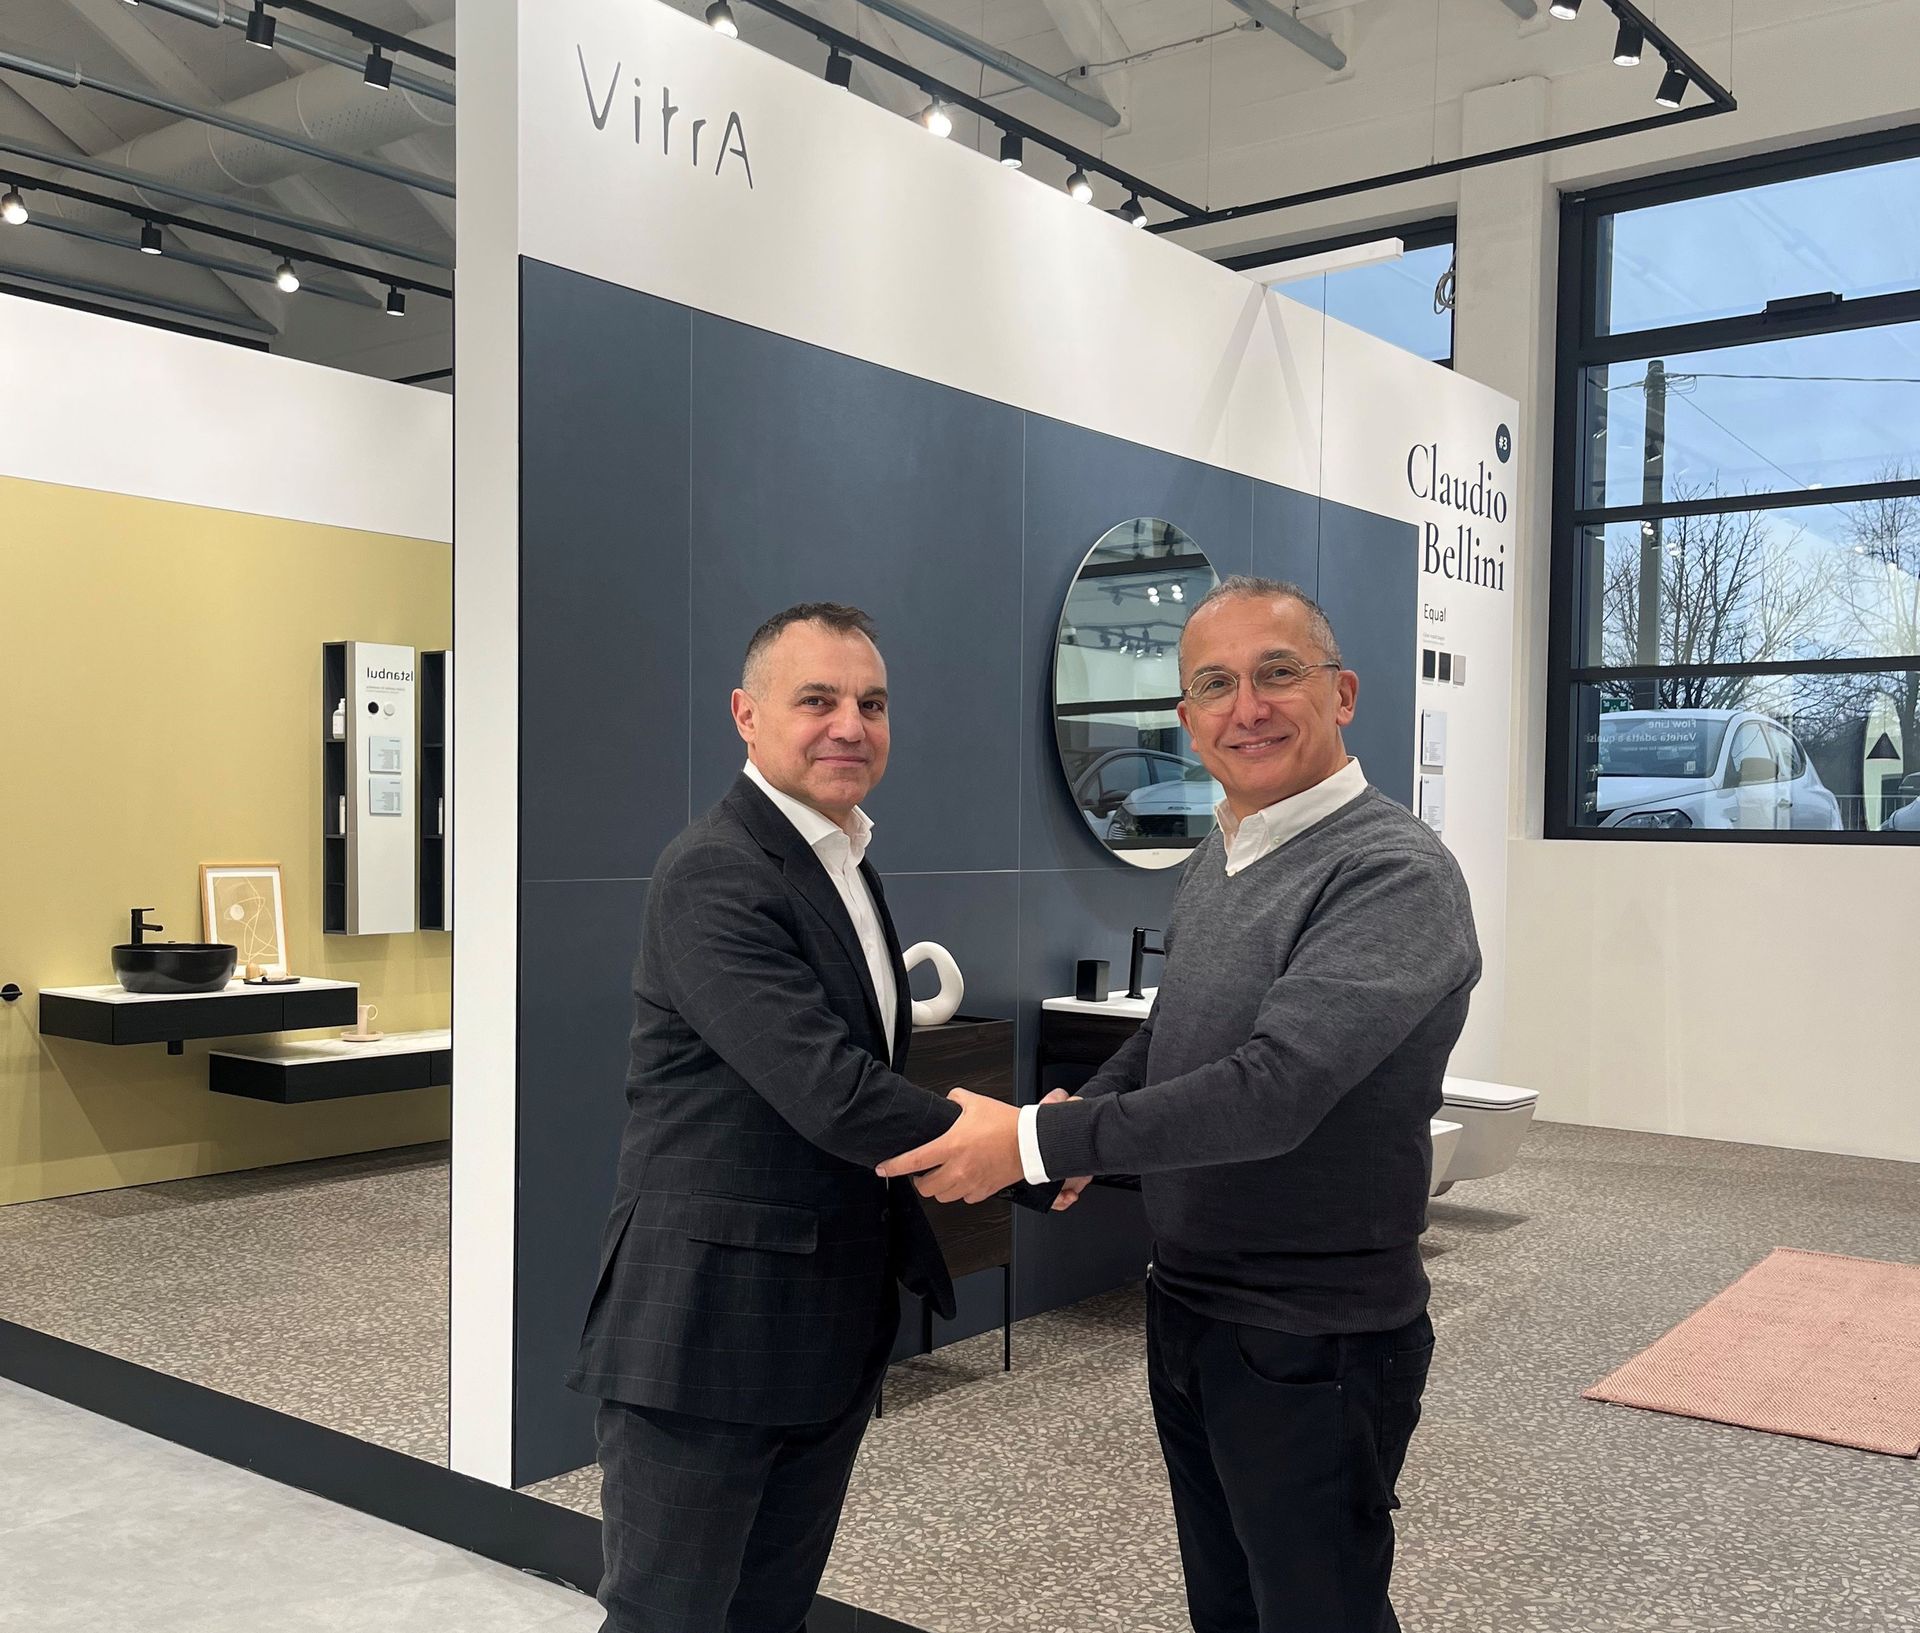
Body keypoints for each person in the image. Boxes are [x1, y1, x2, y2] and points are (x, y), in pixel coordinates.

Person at [879, 576, 1481, 1633]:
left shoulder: (1392, 873)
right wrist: (1085, 1119)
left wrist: (1035, 1138)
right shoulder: (1227, 854)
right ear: (1186, 718)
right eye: (1214, 684)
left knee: (1317, 1613)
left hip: (1315, 1336)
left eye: (1277, 673)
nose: (1246, 707)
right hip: (1194, 1307)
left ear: (1343, 693)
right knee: (1229, 1607)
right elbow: (1173, 1033)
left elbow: (1273, 1091)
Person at [569, 602, 1045, 1633]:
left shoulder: (843, 858)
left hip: (821, 1329)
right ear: (747, 714)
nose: (850, 726)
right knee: (667, 1619)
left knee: (767, 1614)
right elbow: (831, 1088)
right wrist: (1034, 1151)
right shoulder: (716, 870)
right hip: (710, 1331)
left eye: (871, 703)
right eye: (817, 700)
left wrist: (1027, 1145)